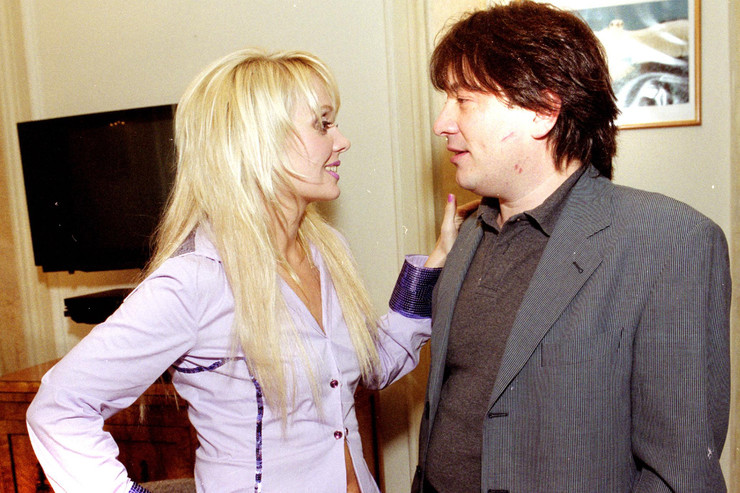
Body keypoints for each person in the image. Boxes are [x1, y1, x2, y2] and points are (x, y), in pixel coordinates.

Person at [26, 48, 463, 493]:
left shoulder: (326, 251)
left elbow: (372, 364)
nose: (342, 140)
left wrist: (435, 265)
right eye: (322, 124)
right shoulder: (197, 280)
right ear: (259, 142)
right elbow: (57, 410)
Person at [413, 2, 731, 492]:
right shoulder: (468, 233)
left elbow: (680, 474)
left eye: (464, 99)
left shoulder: (669, 242)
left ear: (543, 111)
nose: (441, 123)